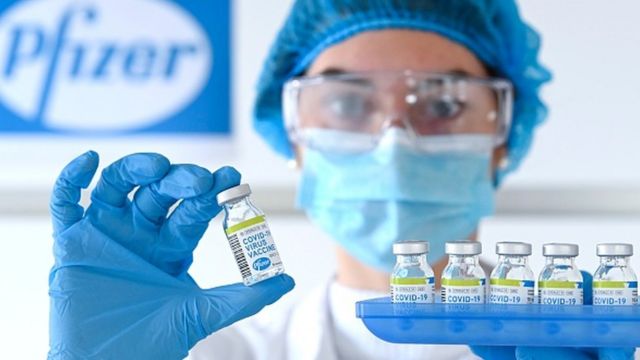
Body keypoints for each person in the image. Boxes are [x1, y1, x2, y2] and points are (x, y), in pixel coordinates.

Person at [47, 1, 635, 359]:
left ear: (503, 138)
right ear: (294, 138)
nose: (395, 141)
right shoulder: (208, 354)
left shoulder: (598, 345)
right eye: (347, 103)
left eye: (446, 104)